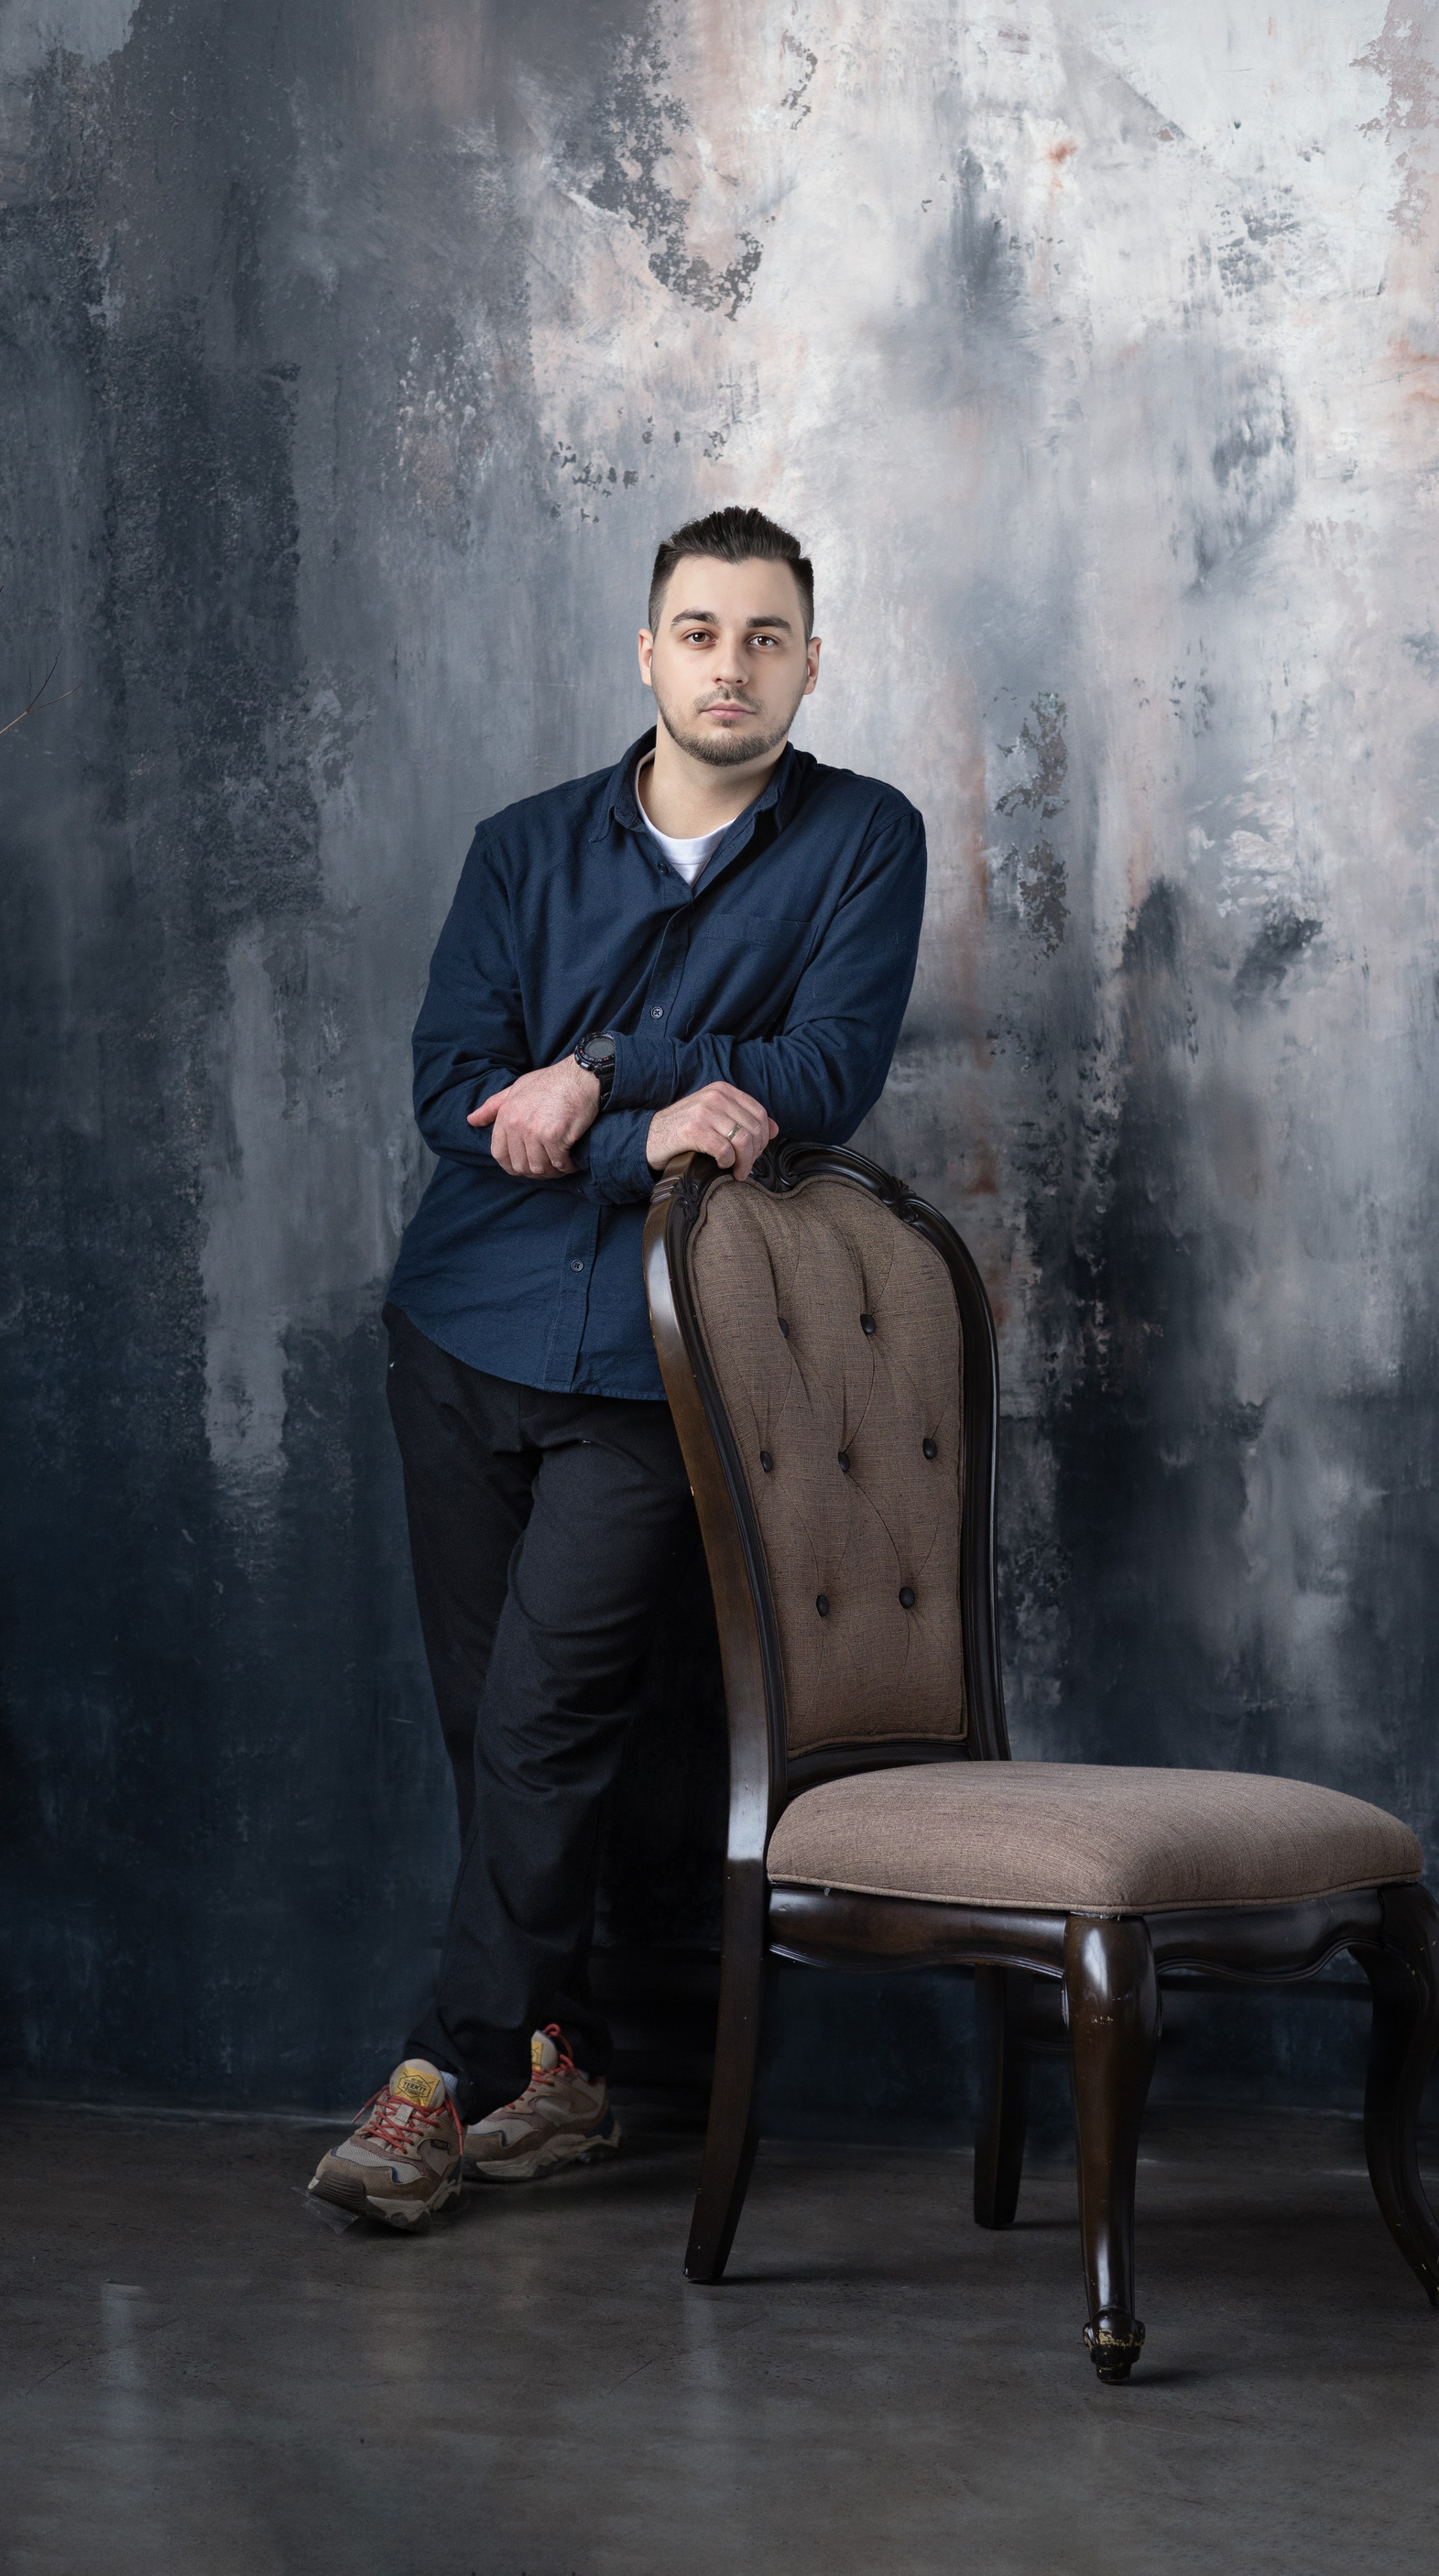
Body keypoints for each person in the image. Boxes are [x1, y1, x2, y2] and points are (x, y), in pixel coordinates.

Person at [310, 505, 926, 2229]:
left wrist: (592, 1064)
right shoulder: (521, 849)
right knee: (484, 1729)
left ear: (811, 662)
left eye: (767, 637)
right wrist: (638, 1121)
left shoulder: (864, 841)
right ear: (647, 653)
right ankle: (562, 2065)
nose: (733, 666)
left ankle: (436, 2084)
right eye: (701, 633)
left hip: (662, 1365)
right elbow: (452, 1087)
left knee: (545, 1717)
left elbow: (824, 1068)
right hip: (459, 1331)